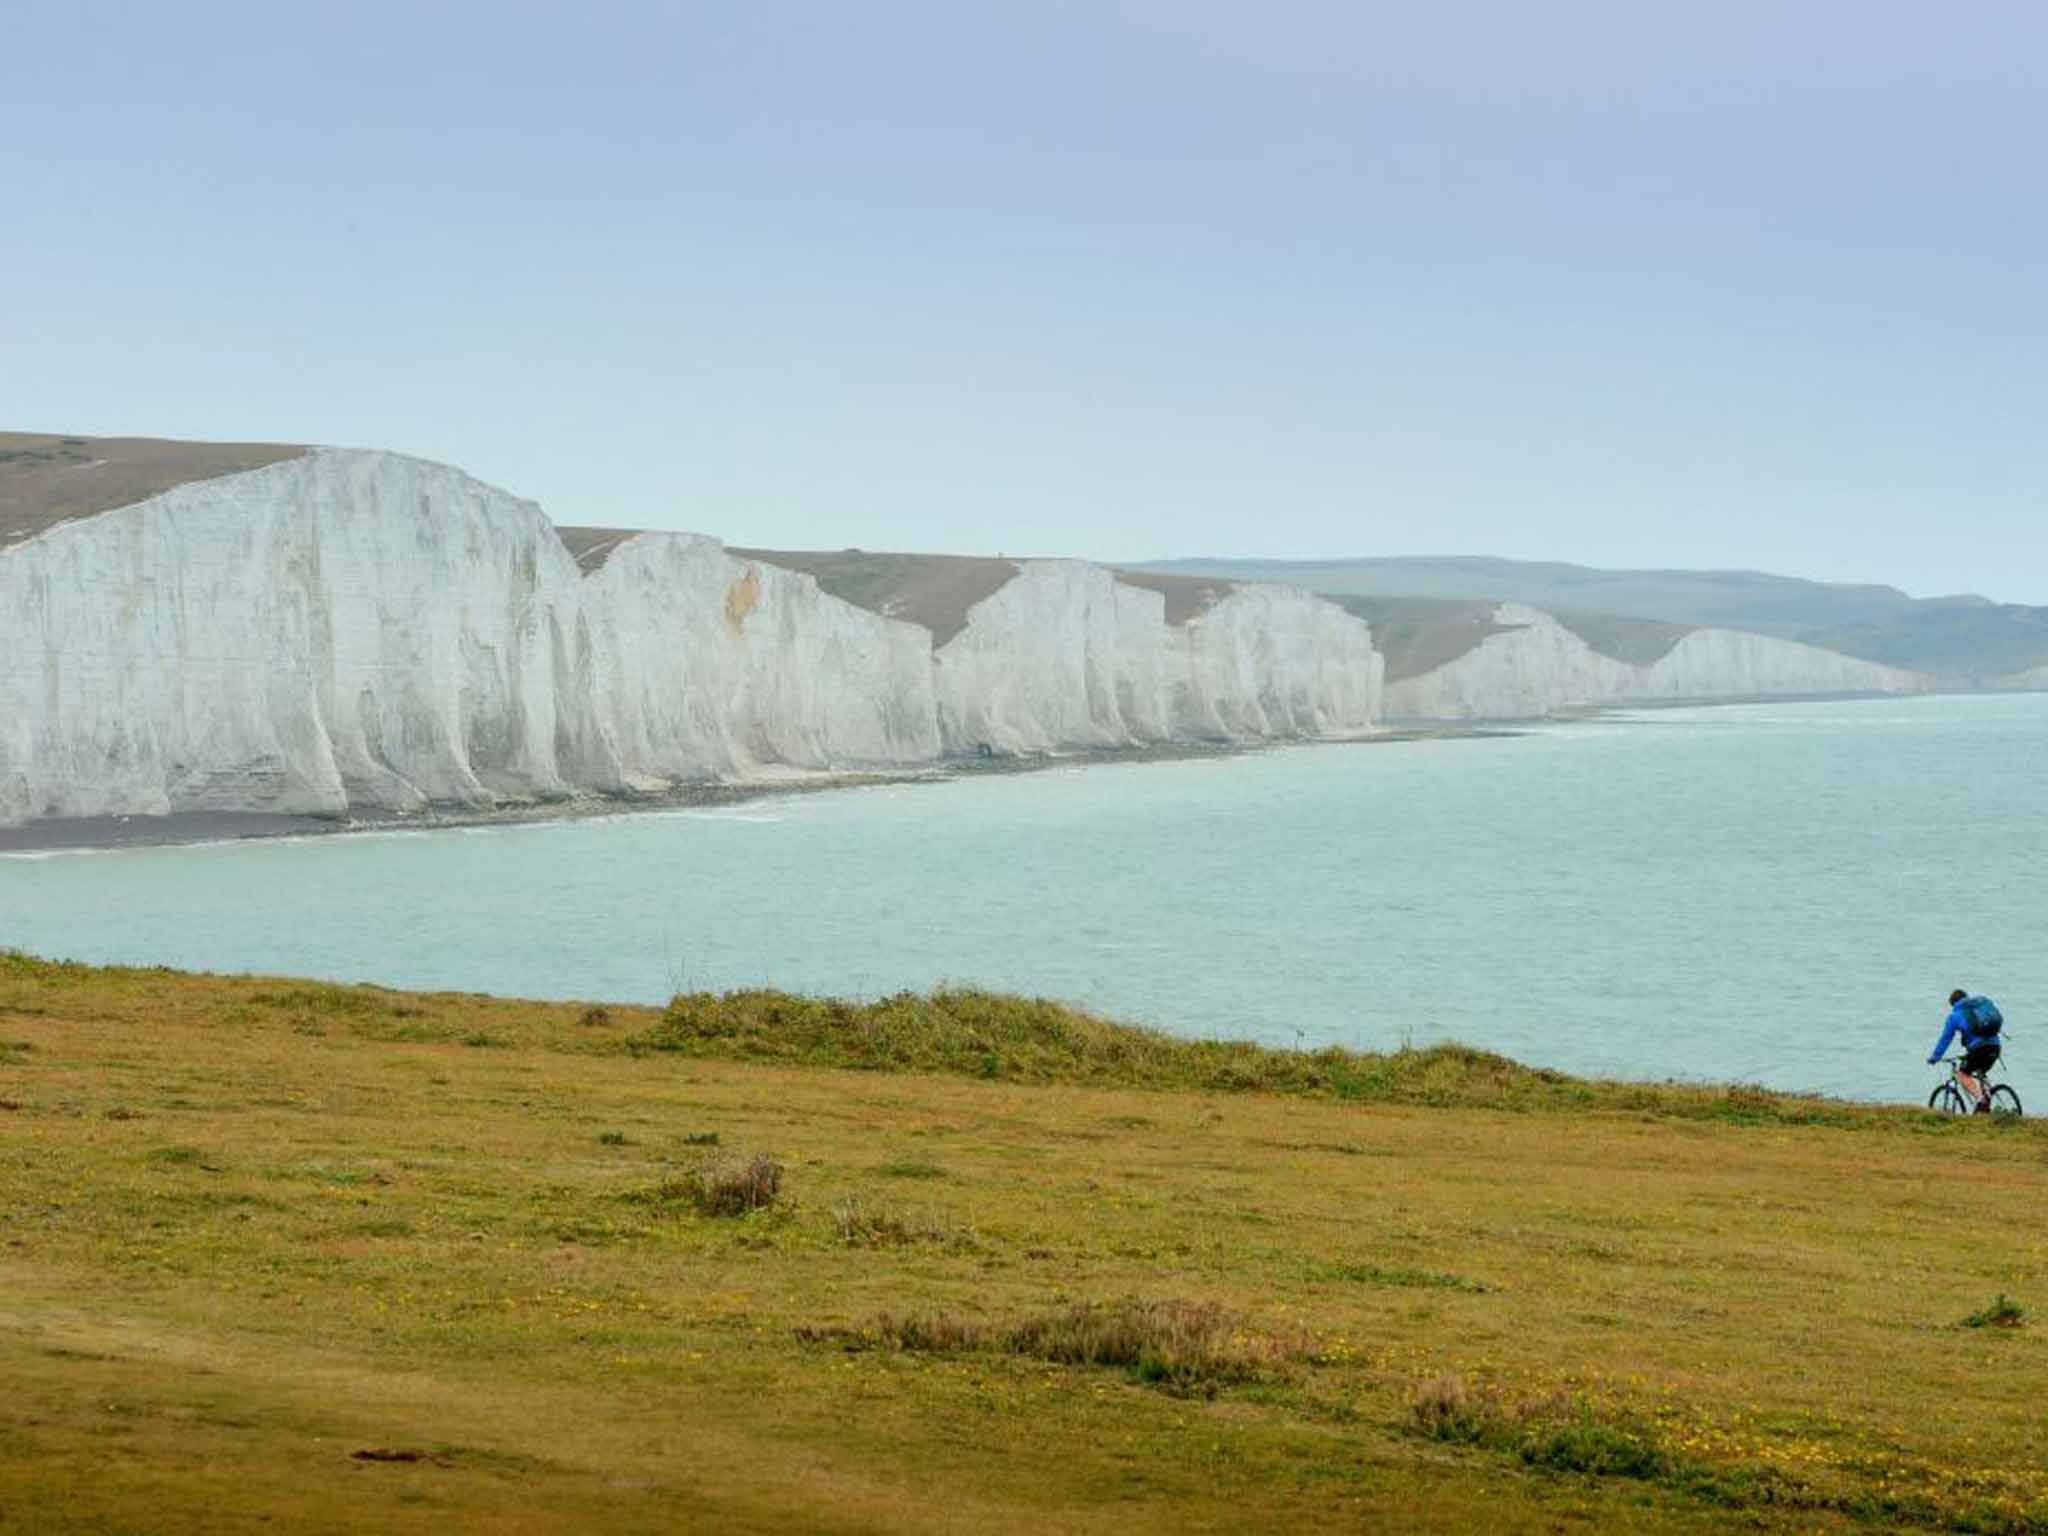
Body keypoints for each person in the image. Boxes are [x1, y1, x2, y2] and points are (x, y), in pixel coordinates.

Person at [1928, 988, 2003, 1112]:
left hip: (1978, 1049)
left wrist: (1935, 1057)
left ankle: (1981, 1100)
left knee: (1962, 1074)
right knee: (1980, 1070)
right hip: (1995, 1047)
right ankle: (1987, 1097)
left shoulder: (1954, 1016)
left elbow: (1946, 1038)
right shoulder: (1981, 1005)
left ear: (1953, 1003)